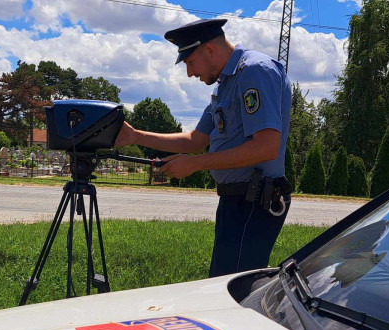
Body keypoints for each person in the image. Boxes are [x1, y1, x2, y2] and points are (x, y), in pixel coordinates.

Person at [116, 19, 293, 277]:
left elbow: (266, 147)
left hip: (255, 201)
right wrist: (135, 136)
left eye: (190, 63)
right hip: (236, 200)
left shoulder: (255, 70)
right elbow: (195, 140)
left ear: (209, 50)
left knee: (232, 291)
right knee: (224, 285)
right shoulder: (226, 83)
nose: (189, 73)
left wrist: (195, 164)